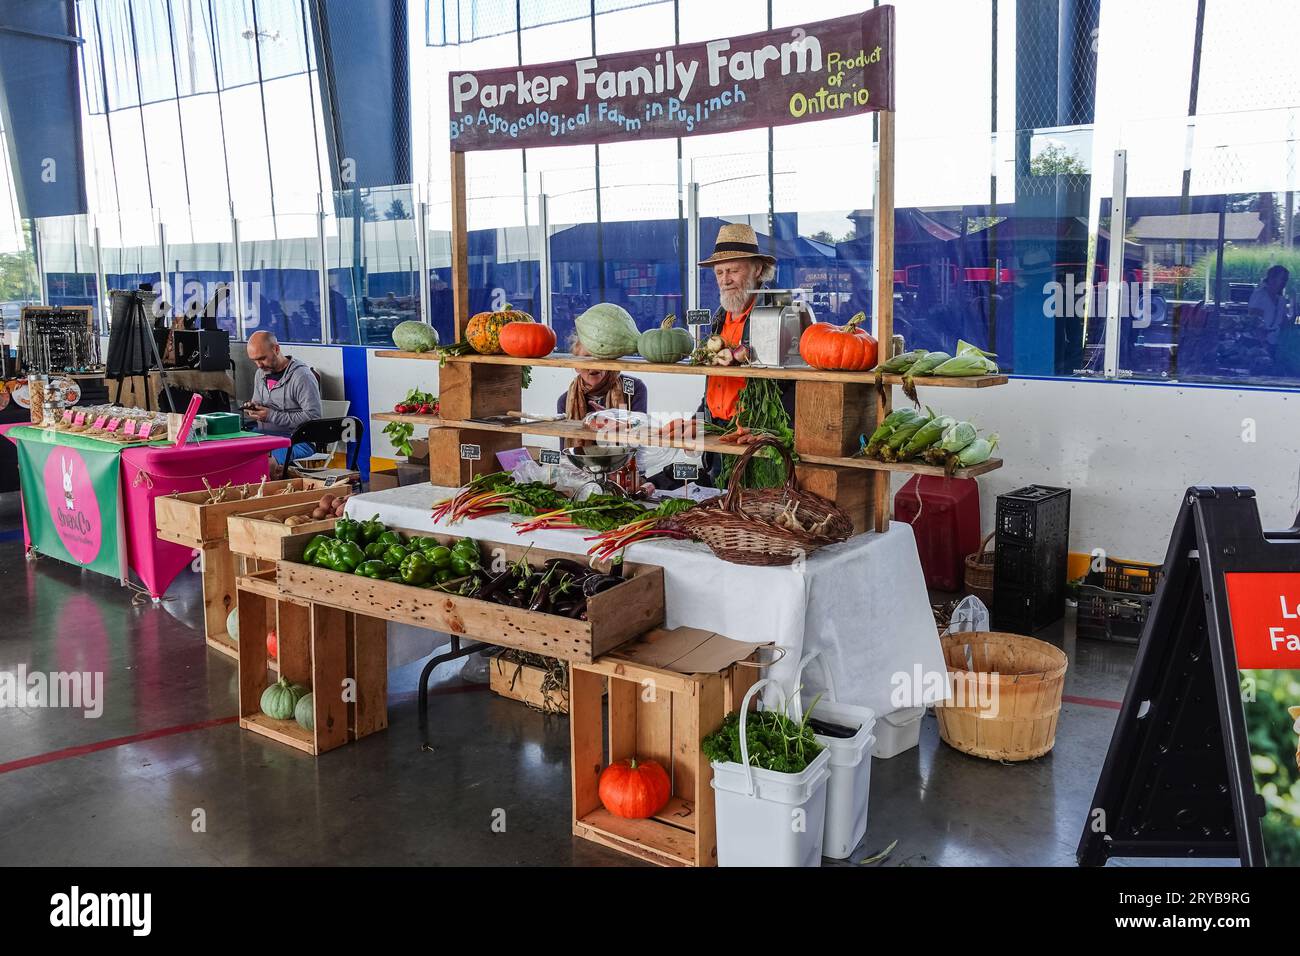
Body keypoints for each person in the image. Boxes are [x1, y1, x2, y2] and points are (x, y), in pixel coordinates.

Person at [689, 223, 793, 479]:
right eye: (720, 272)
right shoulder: (719, 317)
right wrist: (700, 419)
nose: (725, 280)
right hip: (718, 431)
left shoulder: (777, 315)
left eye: (733, 270)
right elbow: (717, 381)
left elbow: (793, 384)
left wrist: (771, 431)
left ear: (757, 269)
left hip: (752, 435)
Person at [244, 331, 322, 476]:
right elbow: (259, 403)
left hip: (297, 440)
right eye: (254, 360)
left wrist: (271, 416)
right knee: (233, 453)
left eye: (262, 359)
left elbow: (313, 419)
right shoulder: (260, 374)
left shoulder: (302, 376)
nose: (258, 365)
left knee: (265, 463)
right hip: (265, 436)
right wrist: (253, 409)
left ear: (276, 349)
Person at [1249, 264, 1290, 348]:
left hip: (1277, 344)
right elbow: (1254, 321)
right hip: (1259, 345)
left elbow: (1284, 322)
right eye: (1281, 279)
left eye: (1285, 280)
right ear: (1271, 279)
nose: (1283, 283)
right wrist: (1263, 344)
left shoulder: (1282, 300)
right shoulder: (1260, 295)